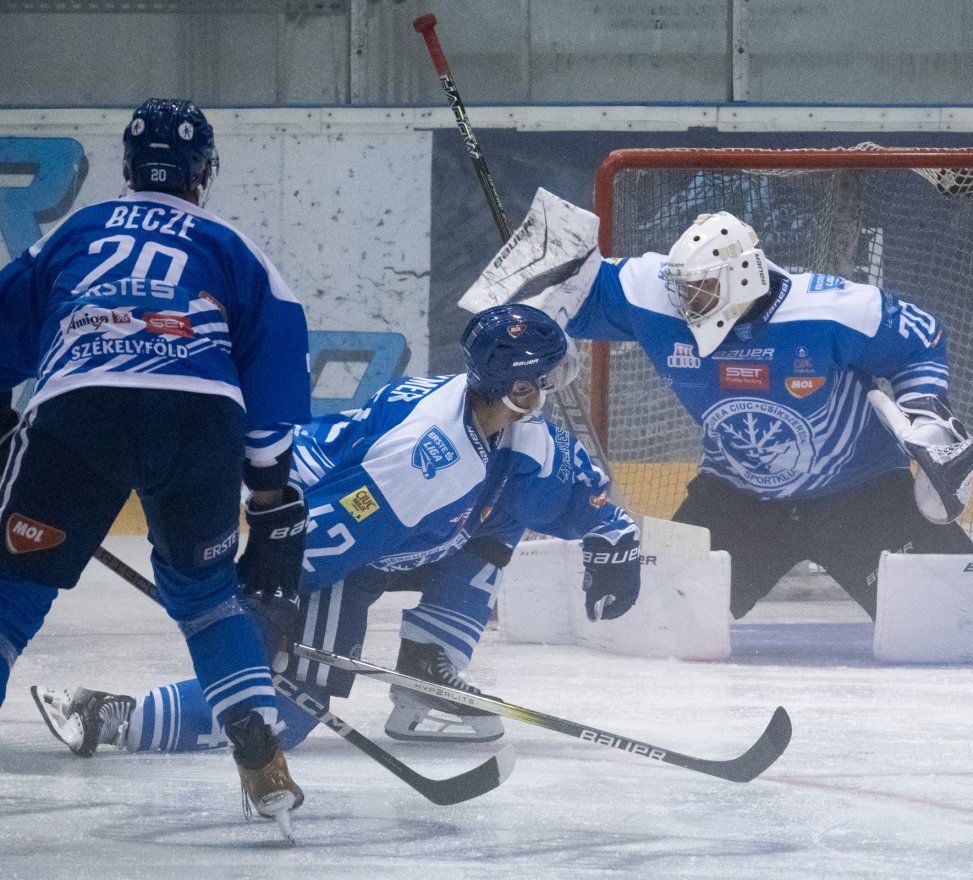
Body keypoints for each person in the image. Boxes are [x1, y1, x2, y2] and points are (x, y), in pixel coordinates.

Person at [33, 302, 641, 756]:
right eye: (544, 378)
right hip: (318, 520)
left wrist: (614, 535)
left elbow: (571, 486)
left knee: (500, 517)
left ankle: (427, 669)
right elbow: (310, 545)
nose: (552, 388)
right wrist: (260, 613)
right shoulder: (421, 462)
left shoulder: (514, 434)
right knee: (291, 711)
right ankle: (111, 715)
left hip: (398, 532)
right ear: (512, 385)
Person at [0, 99, 311, 834]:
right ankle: (263, 761)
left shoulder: (75, 231)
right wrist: (269, 493)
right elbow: (273, 369)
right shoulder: (231, 243)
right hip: (201, 418)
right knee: (206, 599)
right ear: (203, 172)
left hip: (82, 410)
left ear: (127, 169)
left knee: (10, 593)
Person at [561, 210, 973, 620]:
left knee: (956, 615)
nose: (688, 301)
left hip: (862, 496)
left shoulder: (831, 308)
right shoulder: (655, 295)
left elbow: (922, 340)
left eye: (703, 288)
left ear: (744, 275)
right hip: (738, 501)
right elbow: (566, 289)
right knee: (653, 619)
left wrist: (925, 412)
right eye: (683, 287)